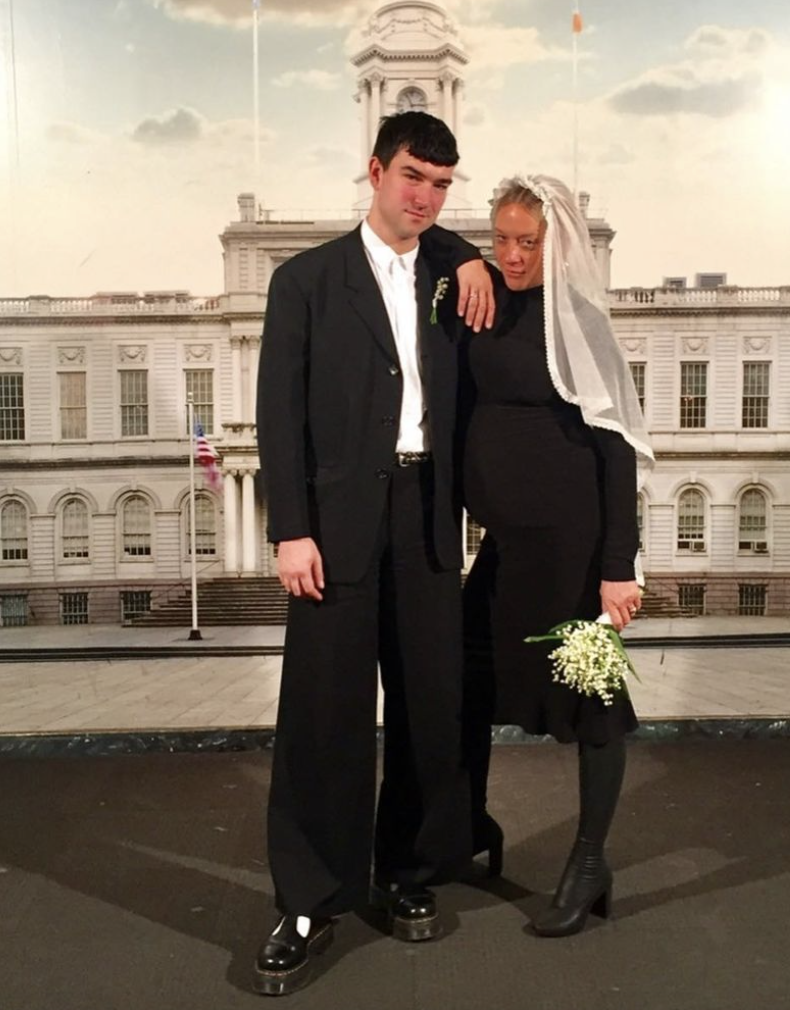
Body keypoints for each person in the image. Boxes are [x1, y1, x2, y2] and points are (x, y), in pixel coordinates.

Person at [253, 111, 495, 997]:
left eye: (441, 185)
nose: (425, 197)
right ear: (374, 171)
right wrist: (291, 528)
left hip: (427, 517)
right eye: (411, 177)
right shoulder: (305, 281)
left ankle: (405, 871)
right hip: (336, 524)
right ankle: (310, 900)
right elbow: (279, 412)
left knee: (430, 706)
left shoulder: (451, 273)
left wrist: (468, 251)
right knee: (325, 716)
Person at [461, 174, 654, 937]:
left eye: (527, 242)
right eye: (500, 239)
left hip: (574, 552)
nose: (511, 255)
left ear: (558, 244)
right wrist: (466, 263)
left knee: (594, 704)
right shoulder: (485, 302)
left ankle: (590, 861)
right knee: (466, 680)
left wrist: (618, 567)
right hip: (507, 549)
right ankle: (469, 825)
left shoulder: (580, 322)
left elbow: (616, 451)